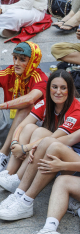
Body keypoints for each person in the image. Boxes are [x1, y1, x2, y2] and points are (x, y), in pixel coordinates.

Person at [0, 86, 80, 221]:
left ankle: (26, 201)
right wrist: (37, 146)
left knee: (55, 148)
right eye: (53, 87)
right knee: (48, 141)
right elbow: (70, 138)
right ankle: (19, 193)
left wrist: (63, 165)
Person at [0, 70, 80, 212]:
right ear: (49, 89)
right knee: (30, 127)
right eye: (54, 87)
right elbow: (23, 125)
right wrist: (15, 142)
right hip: (52, 149)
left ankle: (19, 181)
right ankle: (10, 174)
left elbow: (53, 139)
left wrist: (25, 148)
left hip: (75, 158)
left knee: (41, 133)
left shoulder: (76, 111)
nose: (58, 92)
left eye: (63, 88)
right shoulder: (46, 102)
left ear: (70, 89)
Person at [0, 42, 47, 172]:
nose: (16, 63)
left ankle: (3, 155)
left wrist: (2, 106)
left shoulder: (40, 78)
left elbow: (30, 99)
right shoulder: (10, 71)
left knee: (26, 106)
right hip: (12, 121)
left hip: (34, 127)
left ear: (32, 61)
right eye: (15, 58)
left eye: (22, 60)